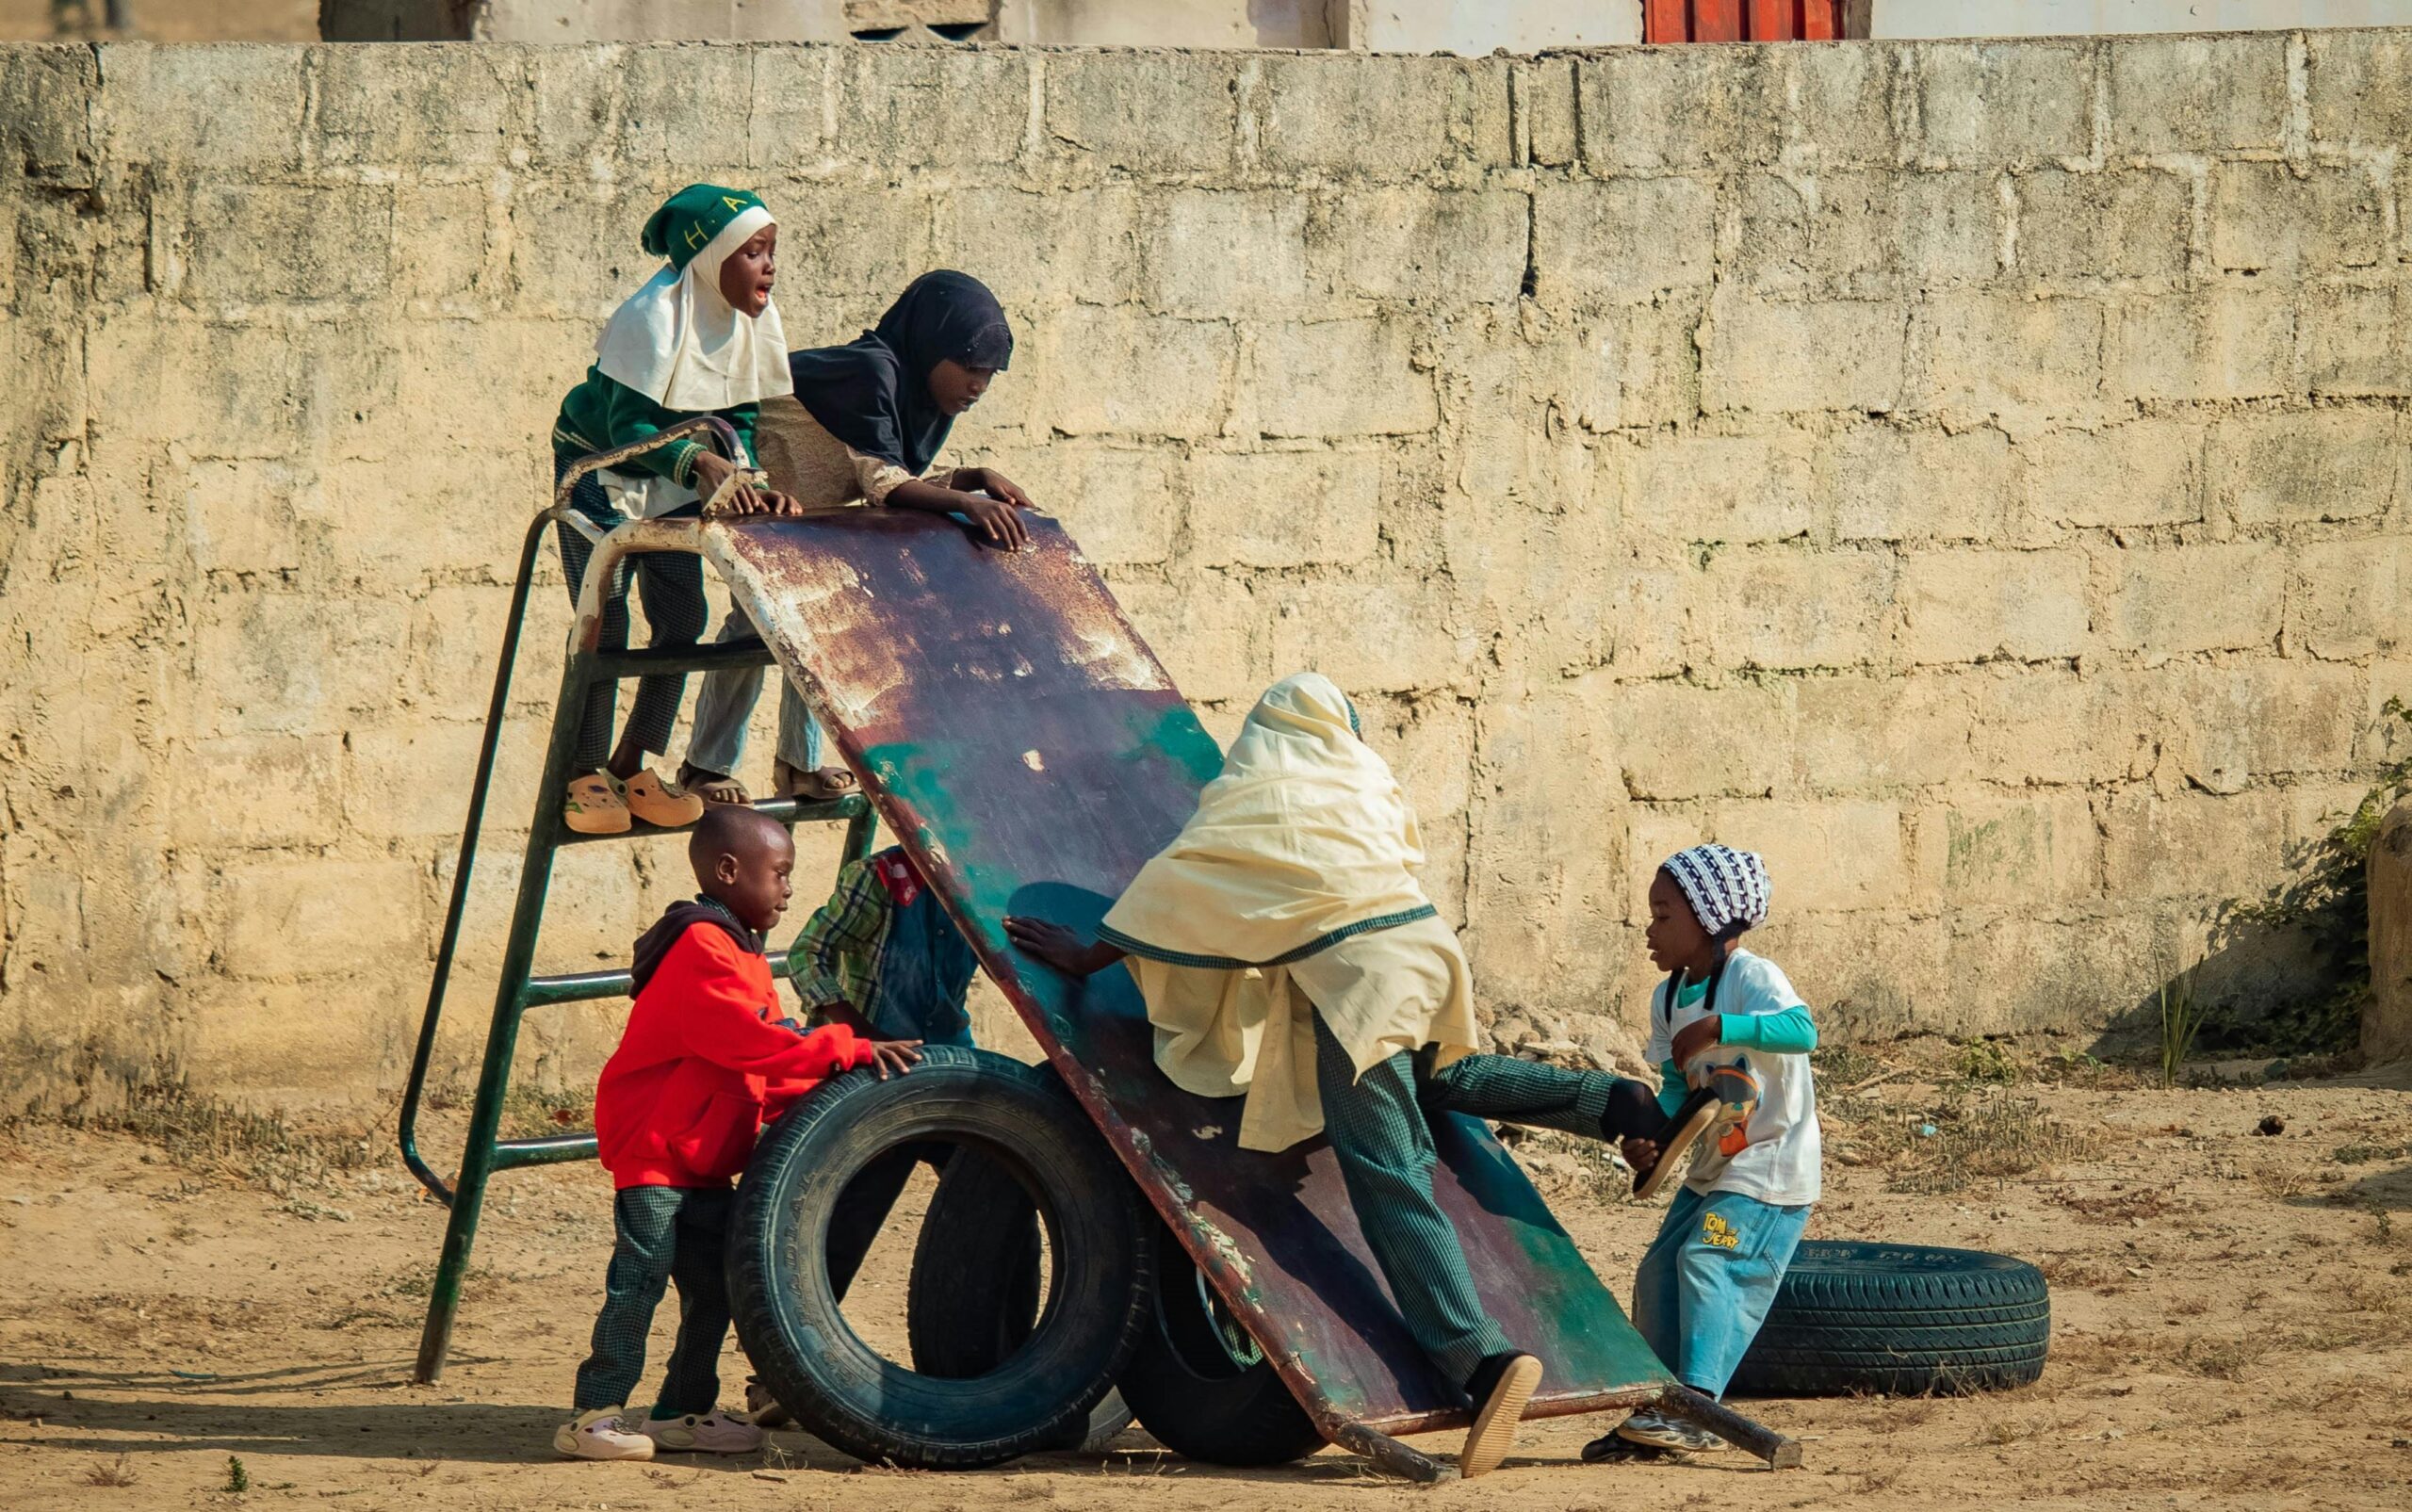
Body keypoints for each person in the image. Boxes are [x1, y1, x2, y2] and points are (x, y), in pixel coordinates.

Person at [1001, 674, 1692, 1479]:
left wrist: (1090, 953)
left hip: (1360, 986)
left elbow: (1181, 883)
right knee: (1443, 1077)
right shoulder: (1360, 780)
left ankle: (1481, 1360)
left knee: (1385, 1168)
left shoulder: (1261, 794)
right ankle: (1617, 1102)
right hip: (1427, 954)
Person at [554, 805, 921, 1462]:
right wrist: (848, 1047)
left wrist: (835, 1093)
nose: (787, 888)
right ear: (728, 871)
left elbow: (760, 1072)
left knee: (718, 1287)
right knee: (638, 1281)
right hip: (656, 1156)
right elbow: (752, 1042)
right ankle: (593, 1414)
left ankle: (683, 1410)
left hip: (702, 1164)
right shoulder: (699, 946)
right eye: (778, 873)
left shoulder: (743, 949)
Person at [682, 270, 1036, 806]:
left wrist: (971, 478)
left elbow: (885, 479)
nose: (978, 385)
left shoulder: (915, 394)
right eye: (969, 367)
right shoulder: (869, 373)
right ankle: (703, 768)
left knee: (808, 621)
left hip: (792, 515)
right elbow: (887, 484)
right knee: (754, 626)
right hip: (733, 489)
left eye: (990, 374)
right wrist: (965, 499)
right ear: (930, 346)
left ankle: (798, 766)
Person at [546, 184, 801, 836]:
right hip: (598, 471)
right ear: (712, 256)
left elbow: (737, 415)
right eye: (753, 252)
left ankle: (633, 765)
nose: (769, 265)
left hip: (673, 478)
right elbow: (622, 420)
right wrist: (696, 464)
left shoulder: (748, 322)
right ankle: (584, 772)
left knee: (683, 614)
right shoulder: (649, 319)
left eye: (772, 250)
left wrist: (746, 478)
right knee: (606, 617)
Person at [739, 842, 982, 1427]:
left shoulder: (978, 877)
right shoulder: (881, 878)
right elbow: (810, 953)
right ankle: (781, 1374)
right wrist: (854, 1026)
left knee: (997, 1199)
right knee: (848, 1218)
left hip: (949, 1061)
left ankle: (999, 1355)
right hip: (877, 1068)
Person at [1590, 844, 1820, 1458]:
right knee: (1657, 1270)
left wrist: (1725, 1028)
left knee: (1707, 1260)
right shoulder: (1667, 1000)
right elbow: (1676, 1089)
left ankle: (1697, 1404)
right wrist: (1653, 1143)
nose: (1650, 929)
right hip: (1712, 1167)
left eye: (1664, 915)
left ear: (1711, 919)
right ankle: (1662, 1407)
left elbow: (1803, 1031)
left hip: (1769, 1164)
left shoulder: (1751, 977)